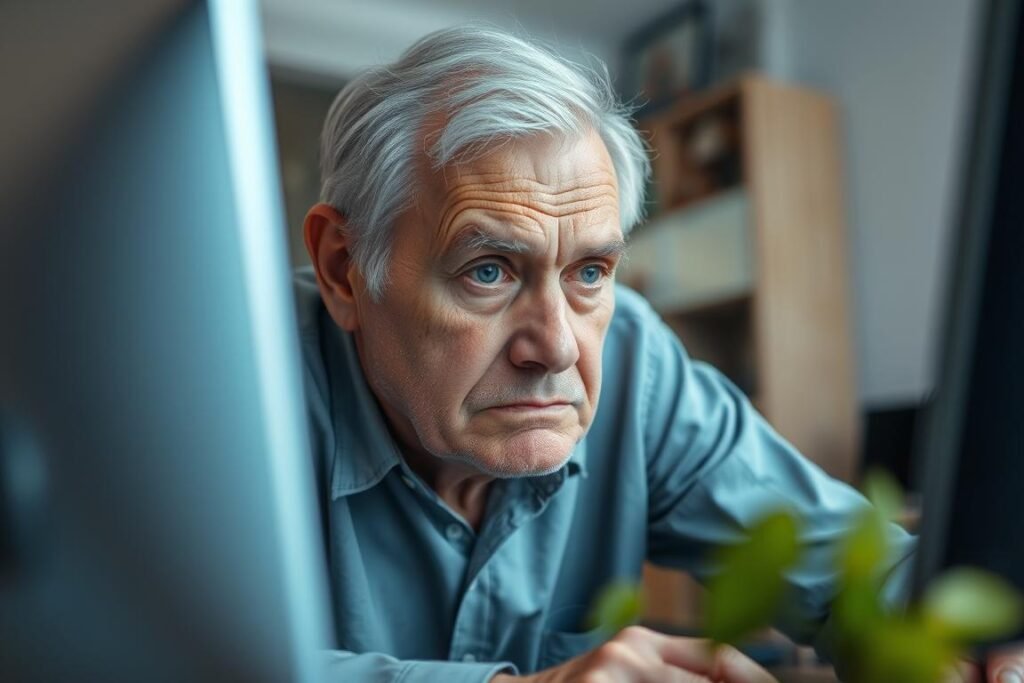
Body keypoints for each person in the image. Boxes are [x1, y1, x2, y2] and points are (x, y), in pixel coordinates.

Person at [296, 25, 1022, 683]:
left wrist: (978, 645)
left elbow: (844, 567)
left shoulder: (637, 364)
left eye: (589, 272)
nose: (557, 345)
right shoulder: (251, 390)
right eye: (488, 271)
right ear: (343, 270)